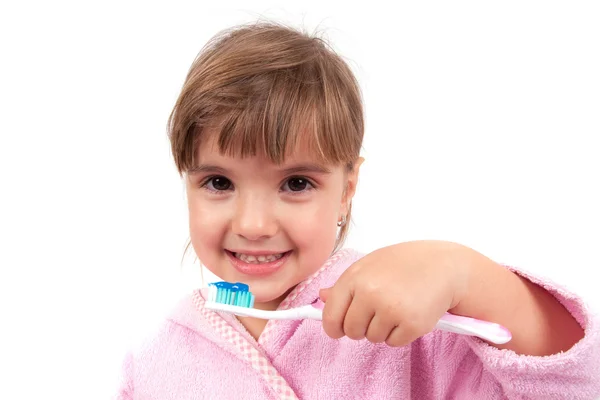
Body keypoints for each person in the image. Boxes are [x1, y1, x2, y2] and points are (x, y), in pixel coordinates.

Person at [115, 22, 600, 399]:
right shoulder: (154, 362)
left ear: (348, 187)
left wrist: (464, 273)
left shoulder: (413, 323)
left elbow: (577, 382)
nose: (254, 226)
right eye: (218, 182)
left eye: (297, 183)